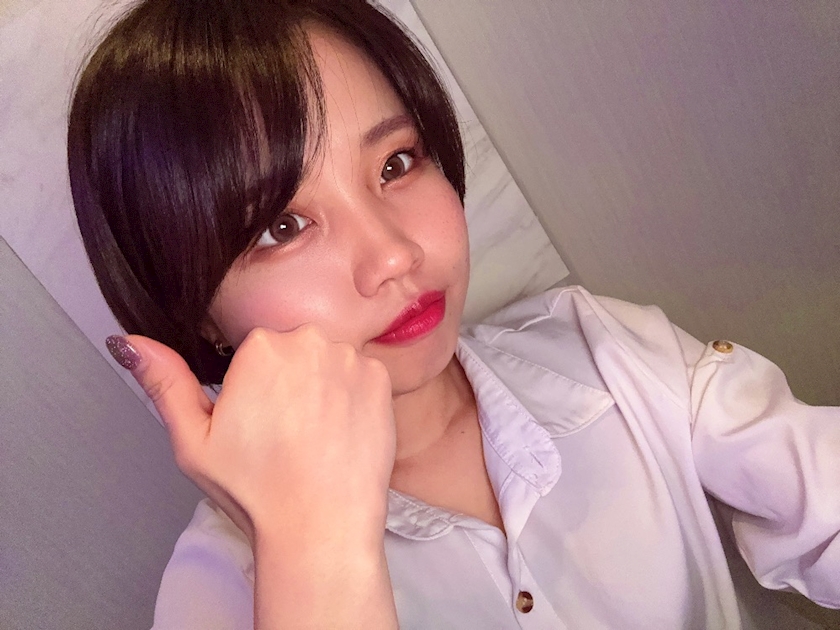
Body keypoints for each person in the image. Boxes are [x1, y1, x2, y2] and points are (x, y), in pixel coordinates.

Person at [67, 0, 840, 628]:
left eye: (396, 163)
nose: (393, 254)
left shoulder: (607, 354)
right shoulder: (221, 589)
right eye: (281, 226)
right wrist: (313, 554)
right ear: (195, 311)